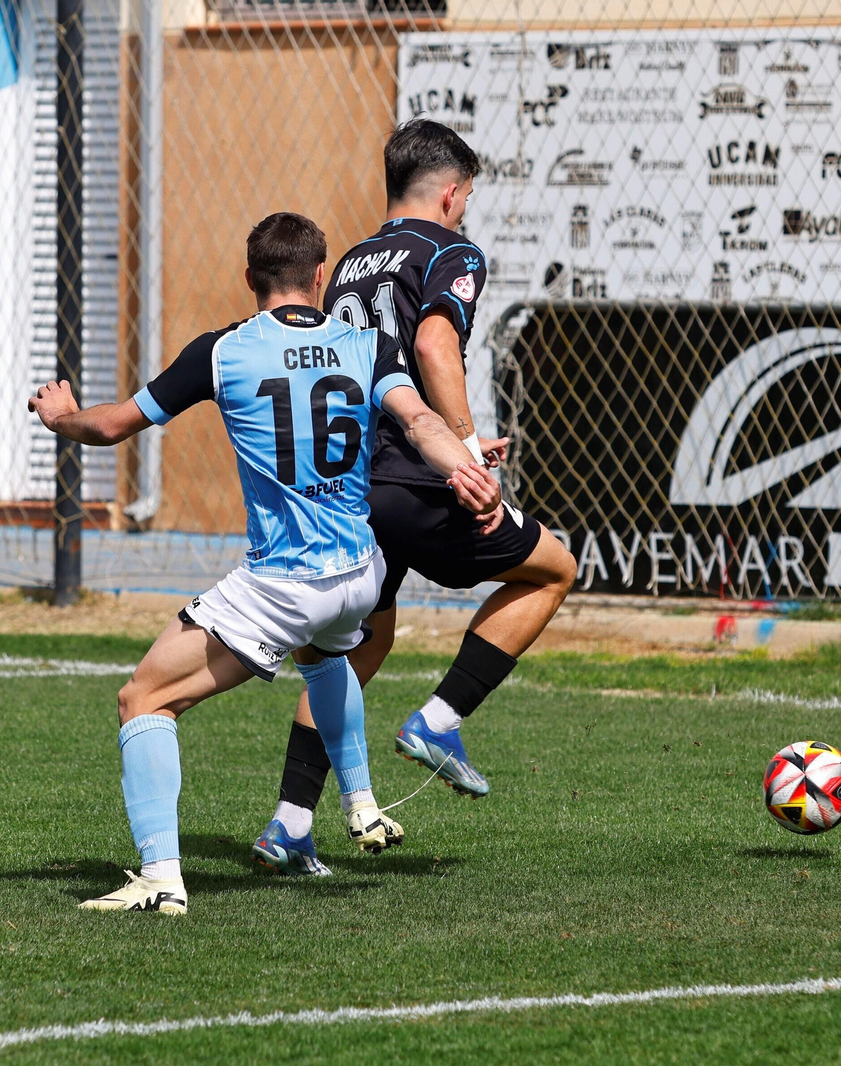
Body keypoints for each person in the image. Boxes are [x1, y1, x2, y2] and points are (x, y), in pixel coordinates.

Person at [28, 212, 504, 915]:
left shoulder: (222, 353)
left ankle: (160, 880)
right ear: (321, 277)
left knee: (144, 700)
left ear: (250, 280)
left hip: (285, 583)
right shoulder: (367, 345)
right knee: (324, 656)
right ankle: (363, 805)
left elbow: (109, 427)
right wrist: (466, 468)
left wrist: (61, 416)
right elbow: (423, 423)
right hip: (360, 576)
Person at [251, 119, 577, 877]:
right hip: (415, 476)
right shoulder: (450, 250)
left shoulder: (354, 262)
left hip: (356, 481)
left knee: (356, 650)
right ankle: (441, 718)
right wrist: (463, 451)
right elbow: (433, 344)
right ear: (452, 194)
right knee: (553, 569)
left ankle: (290, 823)